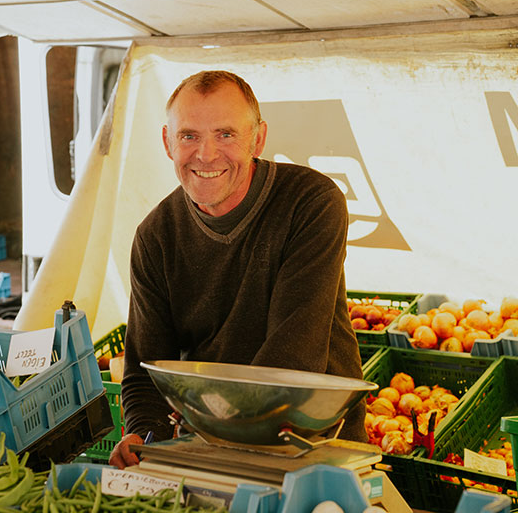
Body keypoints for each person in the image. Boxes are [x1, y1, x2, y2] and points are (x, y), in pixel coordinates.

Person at [109, 70, 367, 468]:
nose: (206, 154)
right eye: (189, 135)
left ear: (258, 138)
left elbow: (292, 360)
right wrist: (144, 435)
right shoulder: (155, 237)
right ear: (167, 141)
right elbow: (147, 370)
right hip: (209, 451)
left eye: (226, 134)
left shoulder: (311, 203)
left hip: (316, 448)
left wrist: (202, 423)